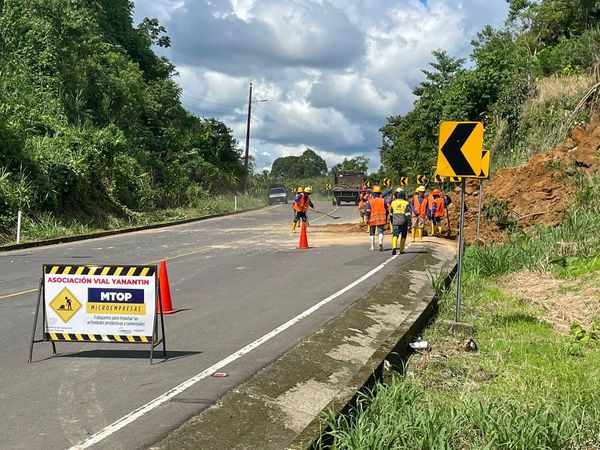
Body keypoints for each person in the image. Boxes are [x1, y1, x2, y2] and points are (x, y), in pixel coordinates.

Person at [365, 185, 388, 251]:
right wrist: (386, 217)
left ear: (373, 193)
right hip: (381, 219)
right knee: (380, 232)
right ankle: (380, 243)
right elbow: (387, 210)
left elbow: (368, 211)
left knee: (372, 233)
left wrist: (366, 218)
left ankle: (372, 247)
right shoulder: (383, 200)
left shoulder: (370, 201)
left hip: (372, 219)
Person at [389, 188, 411, 255]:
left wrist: (392, 222)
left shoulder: (393, 203)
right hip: (403, 222)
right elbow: (408, 214)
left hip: (395, 222)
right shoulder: (406, 203)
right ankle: (401, 249)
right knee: (403, 235)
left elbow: (391, 214)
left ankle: (394, 247)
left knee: (395, 235)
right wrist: (409, 224)